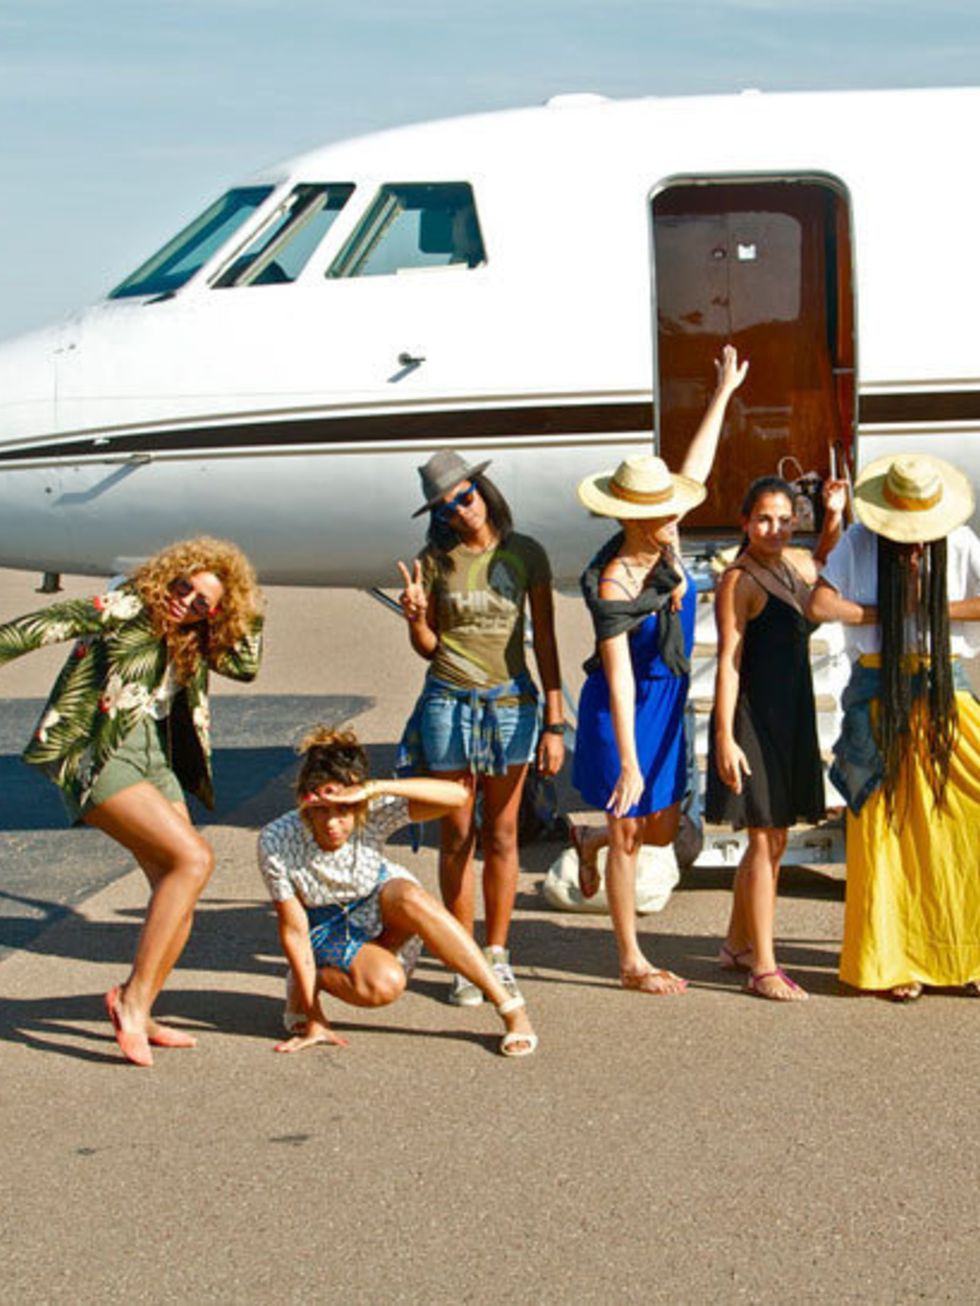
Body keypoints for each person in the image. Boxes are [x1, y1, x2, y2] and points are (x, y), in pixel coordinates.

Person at [0, 537, 264, 1066]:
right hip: (100, 752)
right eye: (183, 585)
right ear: (169, 573)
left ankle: (142, 1007)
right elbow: (36, 628)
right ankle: (131, 1001)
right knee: (193, 859)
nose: (184, 601)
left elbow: (246, 664)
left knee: (180, 886)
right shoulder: (126, 607)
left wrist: (244, 611)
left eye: (201, 602)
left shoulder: (195, 636)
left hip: (155, 760)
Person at [571, 345, 747, 994]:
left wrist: (722, 394)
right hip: (625, 703)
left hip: (670, 698)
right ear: (628, 516)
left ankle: (587, 840)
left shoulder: (665, 535)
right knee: (630, 829)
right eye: (657, 513)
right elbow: (617, 673)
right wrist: (628, 757)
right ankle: (629, 960)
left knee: (665, 830)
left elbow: (694, 470)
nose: (671, 518)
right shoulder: (613, 582)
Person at [808, 454, 980, 1002]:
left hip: (944, 689)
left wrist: (932, 608)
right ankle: (892, 960)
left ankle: (964, 956)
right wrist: (887, 611)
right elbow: (820, 601)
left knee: (963, 825)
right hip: (878, 695)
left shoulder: (962, 540)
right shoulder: (860, 542)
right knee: (883, 831)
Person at [396, 451, 564, 1007]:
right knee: (456, 834)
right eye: (446, 507)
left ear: (481, 489)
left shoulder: (525, 555)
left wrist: (555, 724)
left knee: (504, 833)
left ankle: (497, 955)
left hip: (513, 702)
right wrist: (416, 617)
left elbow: (546, 640)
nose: (460, 511)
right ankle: (462, 956)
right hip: (448, 700)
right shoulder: (435, 560)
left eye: (464, 497)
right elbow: (430, 648)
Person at [258, 726, 537, 1057]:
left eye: (343, 811)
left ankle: (510, 1008)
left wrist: (376, 788)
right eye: (321, 811)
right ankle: (311, 981)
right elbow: (294, 930)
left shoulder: (371, 810)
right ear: (305, 805)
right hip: (326, 924)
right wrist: (314, 1015)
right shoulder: (276, 839)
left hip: (377, 899)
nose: (332, 823)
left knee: (412, 896)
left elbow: (458, 797)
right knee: (384, 985)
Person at [705, 474, 845, 1001]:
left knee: (773, 835)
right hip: (753, 723)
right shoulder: (739, 580)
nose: (776, 528)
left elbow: (823, 562)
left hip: (791, 718)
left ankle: (737, 944)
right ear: (745, 522)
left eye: (785, 519)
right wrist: (724, 735)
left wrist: (831, 516)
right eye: (764, 518)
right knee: (766, 841)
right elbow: (728, 661)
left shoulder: (791, 565)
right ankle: (763, 966)